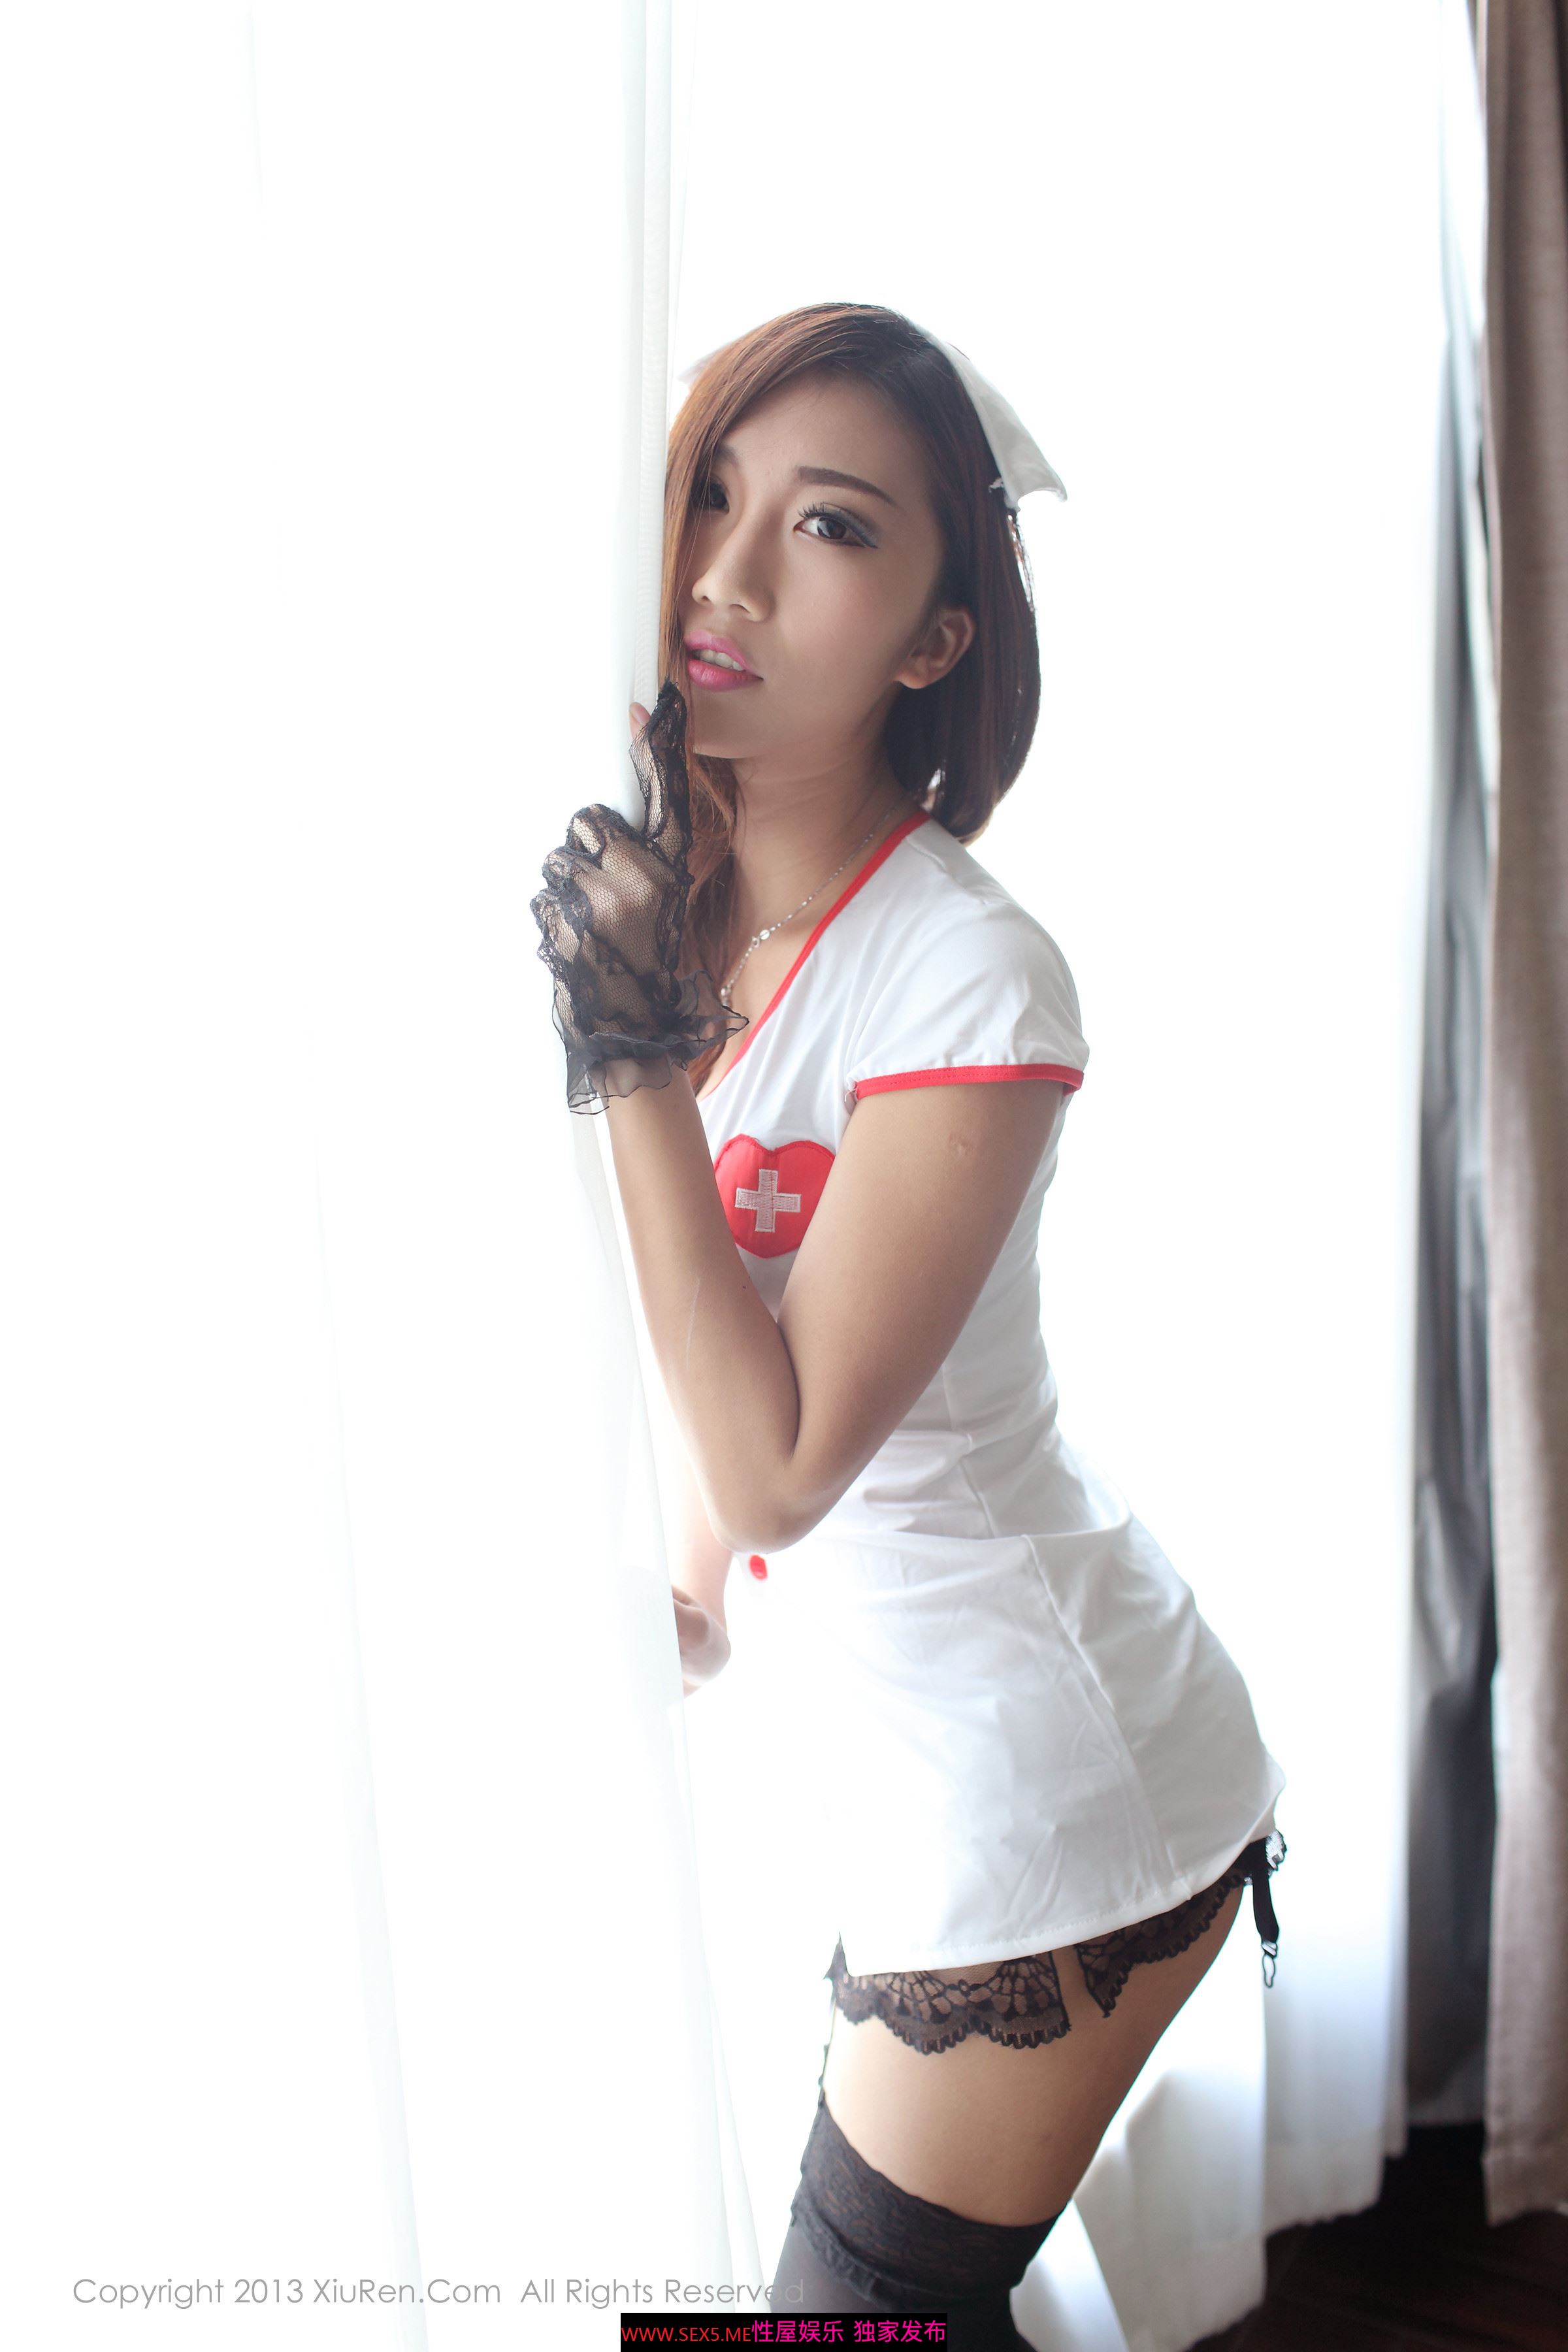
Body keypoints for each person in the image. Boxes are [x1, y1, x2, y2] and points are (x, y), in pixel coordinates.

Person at [531, 302, 1286, 2349]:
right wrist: (692, 1605)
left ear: (937, 638)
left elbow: (785, 1454)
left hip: (1054, 1800)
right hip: (898, 1776)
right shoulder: (673, 909)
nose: (725, 575)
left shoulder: (970, 976)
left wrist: (629, 1065)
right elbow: (729, 1371)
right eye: (708, 495)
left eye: (831, 527)